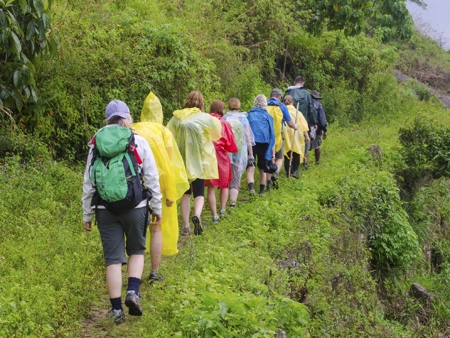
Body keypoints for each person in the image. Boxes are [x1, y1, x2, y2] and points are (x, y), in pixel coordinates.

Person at [82, 99, 163, 324]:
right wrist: (156, 207)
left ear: (107, 118)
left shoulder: (96, 143)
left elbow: (89, 181)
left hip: (104, 208)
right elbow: (151, 177)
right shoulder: (137, 140)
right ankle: (133, 292)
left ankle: (116, 311)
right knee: (136, 250)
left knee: (113, 260)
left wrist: (86, 213)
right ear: (127, 117)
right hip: (135, 205)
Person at [132, 92, 189, 282]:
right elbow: (169, 164)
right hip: (157, 187)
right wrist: (170, 191)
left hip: (133, 187)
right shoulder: (163, 132)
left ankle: (132, 271)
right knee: (156, 227)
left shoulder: (132, 129)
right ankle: (154, 271)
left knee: (134, 230)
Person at [166, 91, 222, 236]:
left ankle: (185, 226)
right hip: (200, 161)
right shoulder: (205, 118)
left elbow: (168, 136)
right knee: (199, 192)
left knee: (185, 193)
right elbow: (216, 134)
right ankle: (197, 214)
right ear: (201, 103)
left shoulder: (176, 118)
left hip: (182, 161)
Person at [206, 100, 238, 223]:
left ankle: (214, 215)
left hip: (208, 155)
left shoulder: (205, 122)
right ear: (221, 109)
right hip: (222, 156)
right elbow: (231, 144)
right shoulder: (224, 124)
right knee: (224, 185)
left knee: (211, 186)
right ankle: (223, 210)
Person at [223, 98, 255, 208]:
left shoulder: (225, 118)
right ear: (239, 105)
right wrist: (251, 154)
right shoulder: (243, 118)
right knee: (236, 178)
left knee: (226, 178)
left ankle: (223, 205)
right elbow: (248, 137)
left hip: (226, 153)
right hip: (239, 153)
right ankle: (232, 204)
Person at [266, 88, 298, 188]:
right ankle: (275, 173)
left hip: (266, 137)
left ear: (271, 95)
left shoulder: (264, 105)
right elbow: (289, 122)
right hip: (277, 138)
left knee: (269, 159)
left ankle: (268, 182)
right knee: (279, 158)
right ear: (279, 96)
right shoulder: (282, 106)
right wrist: (295, 126)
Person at [284, 76, 317, 170]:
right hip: (301, 124)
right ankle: (303, 163)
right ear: (303, 83)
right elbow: (311, 109)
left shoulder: (288, 92)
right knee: (302, 143)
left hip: (287, 124)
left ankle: (288, 166)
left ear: (294, 82)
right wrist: (314, 122)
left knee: (288, 143)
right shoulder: (306, 94)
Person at [246, 94, 275, 195]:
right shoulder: (268, 116)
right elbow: (272, 134)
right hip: (264, 143)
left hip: (251, 143)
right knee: (262, 168)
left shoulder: (249, 114)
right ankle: (261, 191)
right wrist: (272, 151)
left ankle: (251, 188)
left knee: (251, 165)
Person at [282, 95, 310, 178]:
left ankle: (288, 173)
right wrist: (307, 136)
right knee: (296, 152)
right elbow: (304, 126)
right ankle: (295, 171)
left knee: (287, 154)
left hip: (286, 135)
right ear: (292, 102)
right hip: (296, 135)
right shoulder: (298, 112)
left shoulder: (282, 111)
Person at [310, 90, 328, 164]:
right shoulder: (319, 105)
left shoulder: (306, 104)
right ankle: (317, 162)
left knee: (306, 147)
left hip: (307, 128)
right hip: (317, 129)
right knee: (317, 146)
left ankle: (305, 163)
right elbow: (322, 119)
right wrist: (325, 129)